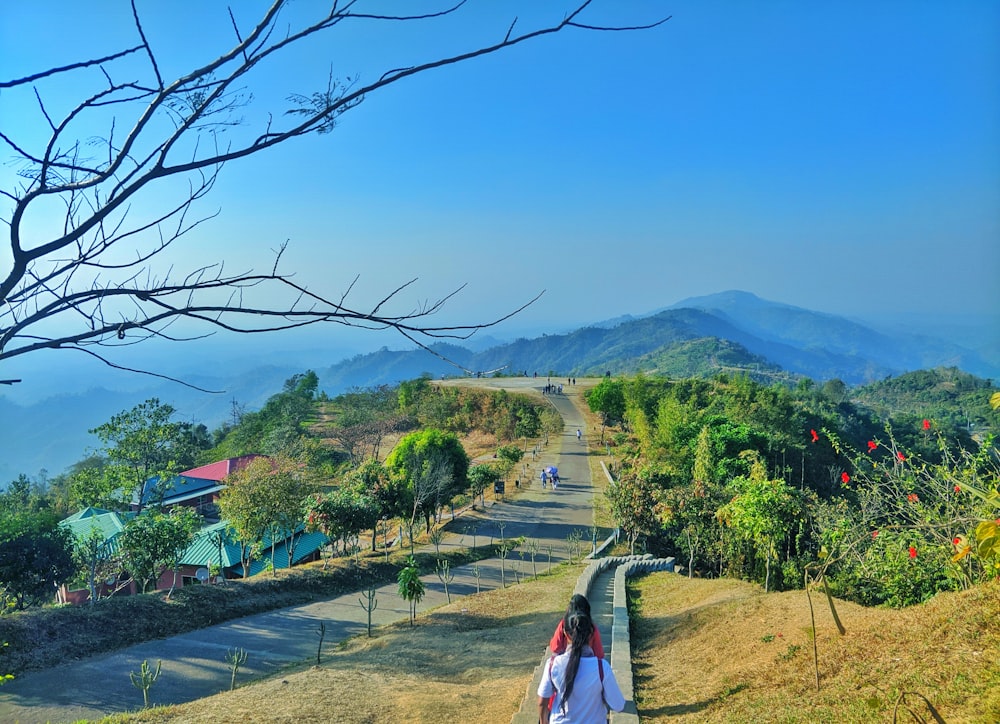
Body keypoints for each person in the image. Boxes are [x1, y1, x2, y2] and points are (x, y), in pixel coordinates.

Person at [538, 612, 624, 723]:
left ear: (565, 634)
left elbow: (542, 703)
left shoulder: (553, 664)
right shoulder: (601, 667)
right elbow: (618, 705)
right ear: (591, 634)